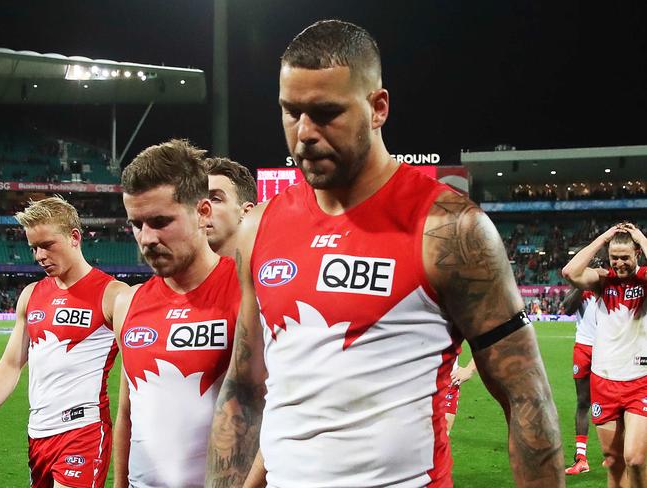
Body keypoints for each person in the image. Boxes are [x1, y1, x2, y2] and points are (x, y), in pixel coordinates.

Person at [206, 19, 564, 488]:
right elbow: (244, 389)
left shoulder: (451, 229)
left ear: (378, 108)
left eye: (326, 112)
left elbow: (525, 396)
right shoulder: (259, 227)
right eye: (291, 112)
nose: (304, 133)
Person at [112, 139, 240, 487]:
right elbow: (126, 414)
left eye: (160, 221)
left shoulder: (247, 293)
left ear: (203, 212)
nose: (147, 238)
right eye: (137, 224)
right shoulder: (128, 303)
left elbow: (273, 407)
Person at [0, 196, 127, 488]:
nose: (39, 256)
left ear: (74, 237)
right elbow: (10, 364)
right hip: (38, 434)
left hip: (84, 431)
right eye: (34, 247)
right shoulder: (31, 294)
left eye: (47, 245)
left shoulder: (113, 294)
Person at [562, 223, 647, 487]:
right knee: (613, 462)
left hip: (639, 381)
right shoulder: (602, 281)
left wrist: (641, 237)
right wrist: (604, 238)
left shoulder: (644, 279)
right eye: (615, 258)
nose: (620, 263)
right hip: (604, 381)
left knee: (634, 458)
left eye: (625, 257)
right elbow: (569, 272)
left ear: (637, 254)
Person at [561, 278, 603, 475]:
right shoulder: (580, 288)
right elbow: (568, 308)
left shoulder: (612, 283)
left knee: (614, 401)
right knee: (583, 402)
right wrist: (581, 282)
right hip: (584, 348)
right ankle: (581, 458)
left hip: (609, 348)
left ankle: (616, 453)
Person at [203, 157, 257, 257]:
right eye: (196, 200)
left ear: (246, 212)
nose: (202, 208)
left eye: (215, 199)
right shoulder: (172, 270)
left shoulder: (263, 269)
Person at [446, 357, 478, 436]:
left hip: (448, 383)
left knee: (441, 436)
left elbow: (485, 345)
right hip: (415, 383)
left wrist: (469, 369)